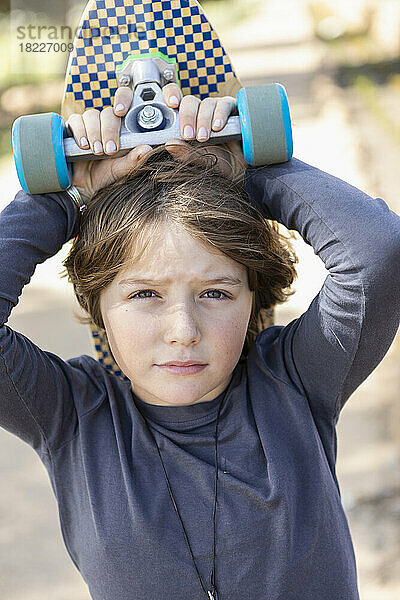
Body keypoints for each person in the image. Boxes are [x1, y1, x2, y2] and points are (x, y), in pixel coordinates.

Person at [1, 82, 399, 600]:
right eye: (145, 294)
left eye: (214, 292)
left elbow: (378, 252)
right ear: (98, 302)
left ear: (254, 296)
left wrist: (250, 171)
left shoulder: (295, 383)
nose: (183, 331)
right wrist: (66, 198)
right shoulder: (73, 415)